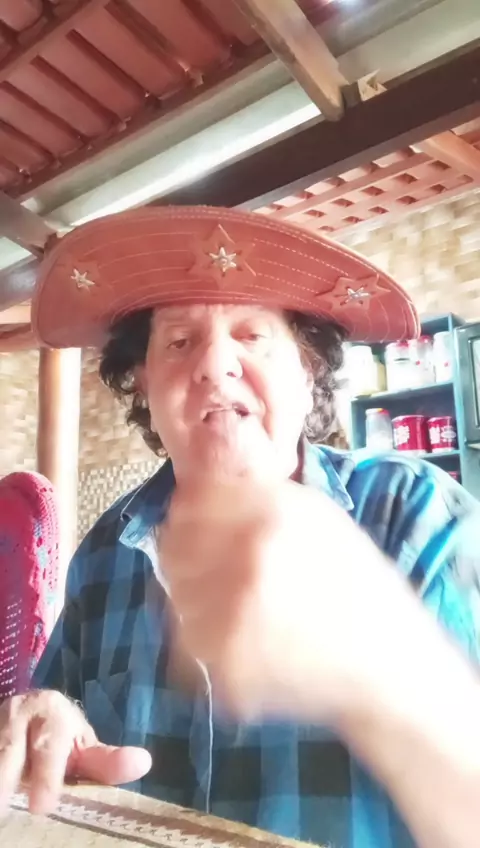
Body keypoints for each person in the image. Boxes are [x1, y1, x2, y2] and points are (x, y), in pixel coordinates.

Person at [1, 205, 480, 848]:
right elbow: (61, 715)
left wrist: (379, 666)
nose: (215, 363)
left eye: (252, 335)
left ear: (308, 373)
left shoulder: (416, 513)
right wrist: (52, 717)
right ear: (144, 385)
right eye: (179, 342)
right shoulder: (104, 552)